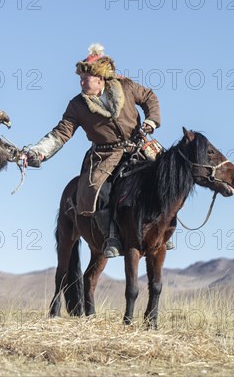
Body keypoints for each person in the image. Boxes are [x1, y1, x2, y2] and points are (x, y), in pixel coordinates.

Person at [25, 44, 163, 258]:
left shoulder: (125, 86)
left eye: (85, 78)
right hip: (105, 156)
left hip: (138, 147)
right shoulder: (77, 105)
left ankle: (164, 232)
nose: (81, 82)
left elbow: (149, 97)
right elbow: (61, 133)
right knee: (100, 190)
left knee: (166, 175)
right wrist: (39, 152)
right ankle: (111, 237)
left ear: (99, 79)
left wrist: (152, 121)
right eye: (80, 78)